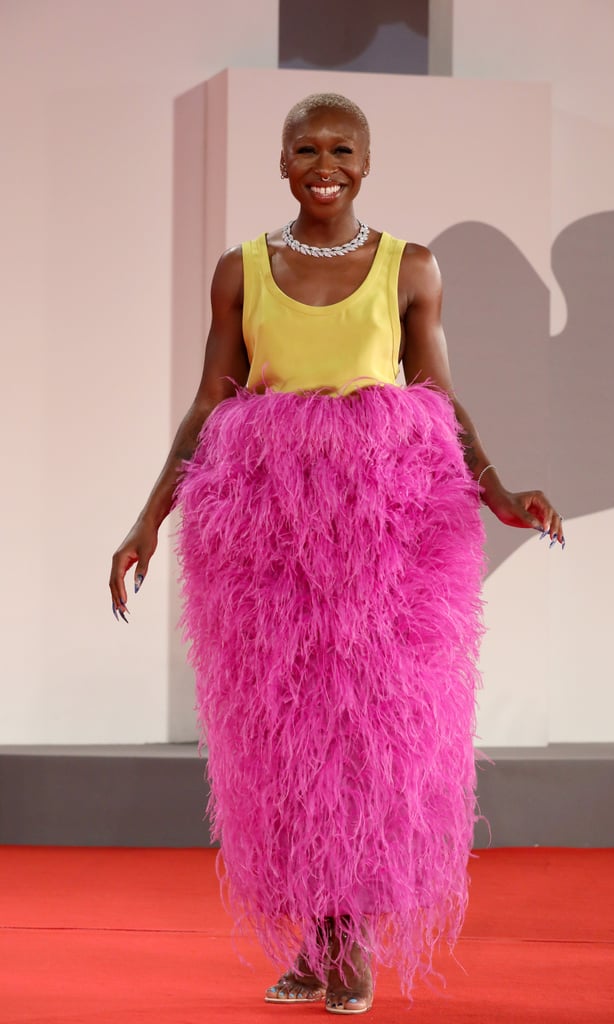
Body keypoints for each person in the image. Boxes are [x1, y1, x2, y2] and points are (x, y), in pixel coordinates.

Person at [110, 93, 564, 1016]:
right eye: (307, 149)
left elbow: (438, 399)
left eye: (342, 149)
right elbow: (210, 399)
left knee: (364, 740)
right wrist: (148, 515)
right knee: (281, 744)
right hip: (266, 535)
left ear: (367, 162)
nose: (325, 164)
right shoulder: (242, 269)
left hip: (382, 537)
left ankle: (349, 944)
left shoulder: (410, 267)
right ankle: (317, 944)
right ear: (282, 163)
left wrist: (499, 491)